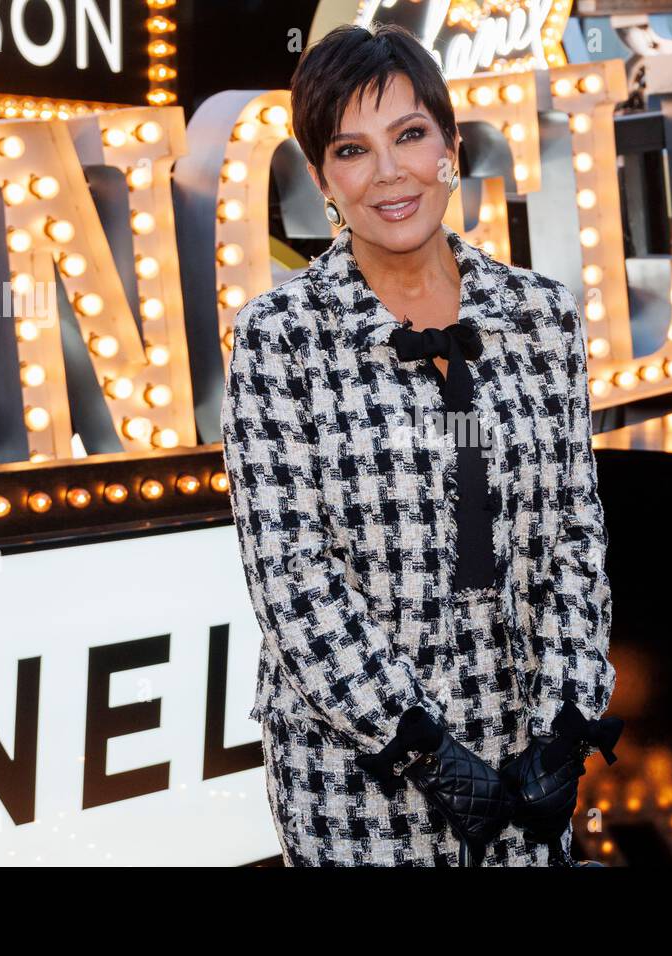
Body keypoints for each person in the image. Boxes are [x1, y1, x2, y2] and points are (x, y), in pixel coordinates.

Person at [221, 22, 618, 866]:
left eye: (410, 135)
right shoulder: (279, 339)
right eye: (352, 150)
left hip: (523, 744)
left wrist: (568, 723)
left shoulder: (542, 318)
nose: (390, 172)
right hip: (355, 765)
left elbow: (576, 535)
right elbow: (293, 578)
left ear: (451, 147)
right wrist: (421, 751)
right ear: (323, 177)